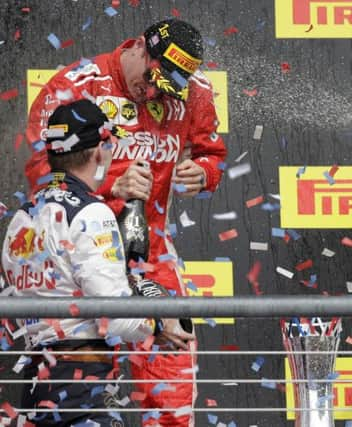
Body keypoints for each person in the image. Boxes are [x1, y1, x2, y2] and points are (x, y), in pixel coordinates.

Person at [24, 19, 227, 426]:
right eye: (150, 80)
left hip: (149, 255)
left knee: (173, 376)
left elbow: (212, 152)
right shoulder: (78, 82)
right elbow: (38, 174)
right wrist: (110, 188)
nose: (152, 94)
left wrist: (204, 171)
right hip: (78, 255)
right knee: (83, 385)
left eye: (166, 90)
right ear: (138, 48)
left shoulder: (197, 92)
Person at [2, 99, 195, 427]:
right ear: (98, 153)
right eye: (109, 145)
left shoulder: (22, 216)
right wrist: (160, 322)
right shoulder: (93, 212)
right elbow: (117, 321)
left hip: (36, 387)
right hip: (83, 391)